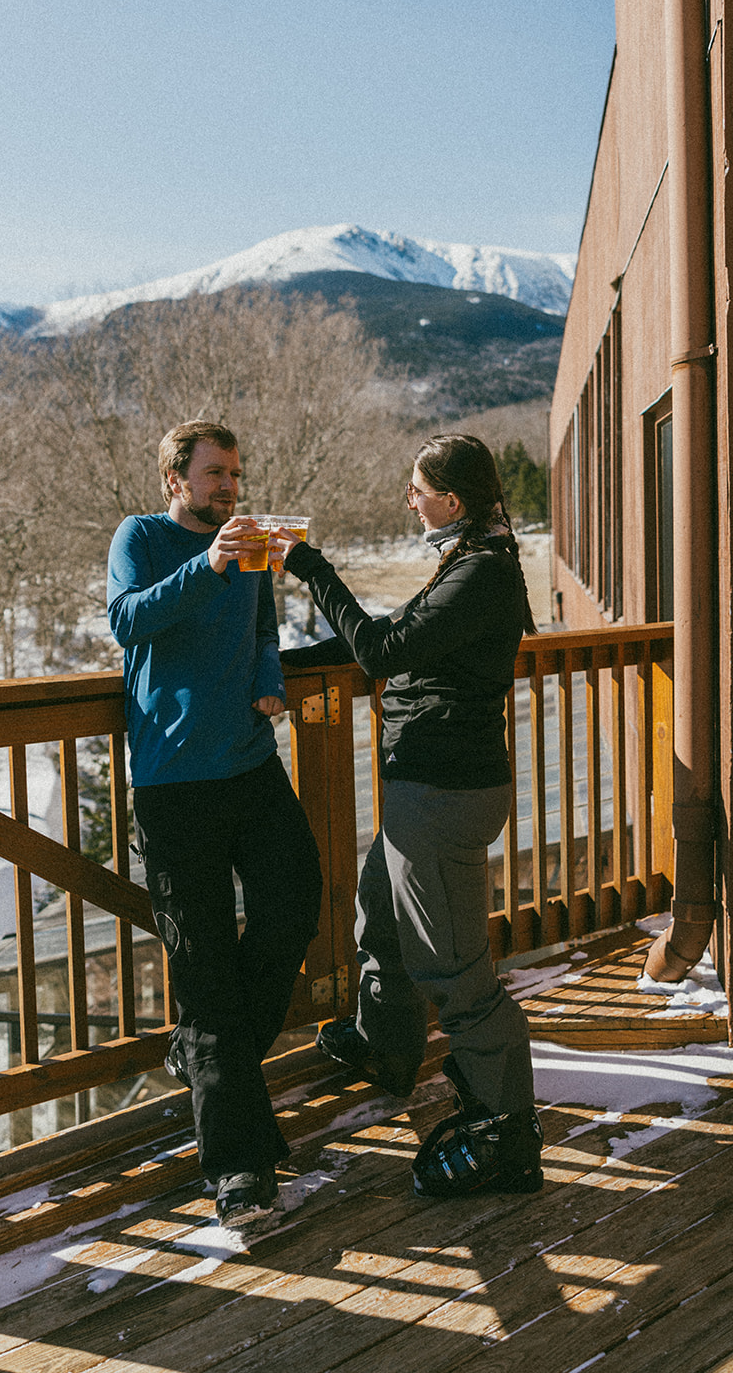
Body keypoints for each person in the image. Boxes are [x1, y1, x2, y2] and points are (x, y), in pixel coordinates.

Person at [272, 433, 543, 1198]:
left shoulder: (482, 575)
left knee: (455, 973)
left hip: (444, 796)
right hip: (423, 789)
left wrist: (310, 567)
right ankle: (384, 1048)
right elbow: (399, 645)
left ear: (449, 502)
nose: (408, 499)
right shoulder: (470, 564)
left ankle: (507, 1132)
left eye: (415, 489)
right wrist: (276, 667)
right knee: (379, 923)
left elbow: (383, 650)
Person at [107, 419, 323, 1228]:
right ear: (176, 481)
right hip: (173, 783)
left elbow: (263, 630)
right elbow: (128, 620)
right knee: (201, 967)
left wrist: (269, 681)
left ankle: (206, 1063)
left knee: (294, 903)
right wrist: (208, 563)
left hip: (249, 762)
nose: (229, 486)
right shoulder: (141, 537)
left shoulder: (254, 546)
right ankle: (238, 1169)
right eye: (213, 474)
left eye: (234, 472)